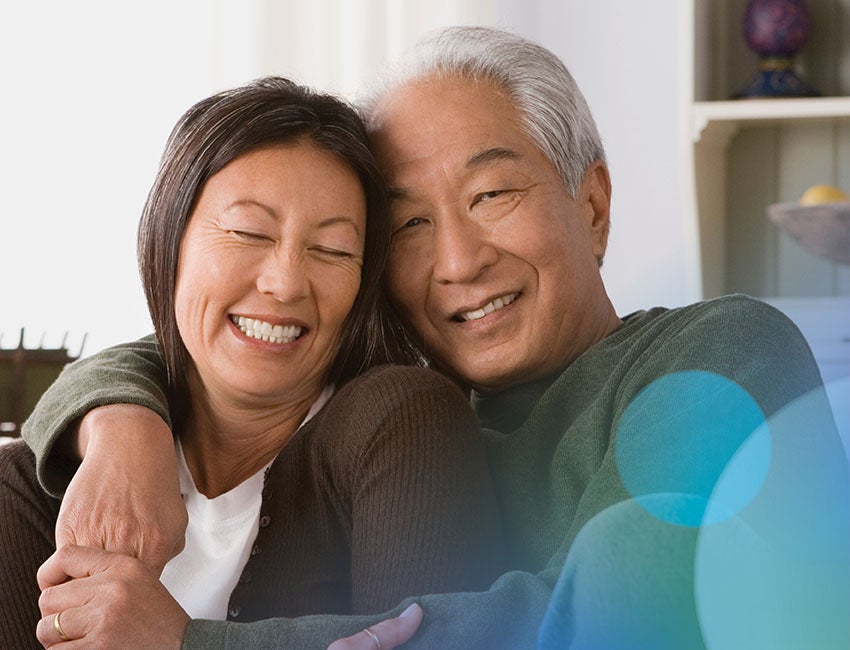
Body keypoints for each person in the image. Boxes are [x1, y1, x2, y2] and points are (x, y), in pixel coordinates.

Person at [18, 25, 850, 650]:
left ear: (591, 206)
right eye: (409, 222)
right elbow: (206, 350)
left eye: (491, 194)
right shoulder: (389, 405)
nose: (457, 260)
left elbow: (619, 616)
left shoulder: (718, 351)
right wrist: (121, 424)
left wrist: (191, 644)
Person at [0, 75, 507, 649]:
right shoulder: (31, 489)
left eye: (333, 250)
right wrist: (119, 425)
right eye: (247, 231)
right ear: (170, 242)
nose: (286, 282)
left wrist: (181, 641)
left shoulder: (403, 425)